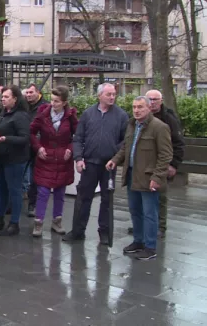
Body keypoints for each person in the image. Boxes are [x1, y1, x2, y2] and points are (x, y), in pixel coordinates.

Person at [106, 96, 172, 260]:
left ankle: (150, 247)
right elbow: (126, 148)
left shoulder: (159, 127)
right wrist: (115, 160)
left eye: (140, 107)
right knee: (135, 211)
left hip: (149, 178)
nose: (136, 110)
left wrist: (157, 177)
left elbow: (165, 155)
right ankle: (138, 241)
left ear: (149, 108)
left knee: (150, 213)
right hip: (132, 175)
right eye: (134, 107)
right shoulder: (132, 125)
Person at [64, 83, 129, 244]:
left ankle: (105, 233)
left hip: (109, 165)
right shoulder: (88, 114)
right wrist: (78, 158)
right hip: (89, 164)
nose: (112, 97)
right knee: (83, 197)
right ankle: (78, 231)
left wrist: (115, 156)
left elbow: (125, 141)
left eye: (114, 94)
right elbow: (78, 138)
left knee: (107, 200)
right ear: (99, 95)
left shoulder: (121, 116)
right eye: (108, 94)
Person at [130, 89, 184, 238]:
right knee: (141, 197)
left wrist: (173, 164)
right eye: (150, 99)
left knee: (160, 196)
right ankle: (142, 224)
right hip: (143, 166)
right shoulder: (139, 119)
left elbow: (178, 143)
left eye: (155, 99)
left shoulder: (168, 119)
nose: (153, 102)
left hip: (161, 164)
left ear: (161, 101)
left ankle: (160, 226)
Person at [29, 86, 78, 237]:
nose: (53, 104)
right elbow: (31, 131)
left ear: (64, 102)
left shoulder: (70, 116)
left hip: (63, 159)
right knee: (43, 192)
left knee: (59, 192)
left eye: (57, 101)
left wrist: (70, 148)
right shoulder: (43, 113)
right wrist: (38, 147)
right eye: (52, 100)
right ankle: (38, 222)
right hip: (46, 157)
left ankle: (57, 221)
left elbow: (78, 135)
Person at [0, 85, 31, 236]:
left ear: (15, 99)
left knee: (14, 191)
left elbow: (25, 138)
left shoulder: (21, 116)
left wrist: (5, 139)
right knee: (2, 189)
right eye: (2, 97)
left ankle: (14, 223)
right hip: (1, 158)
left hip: (15, 160)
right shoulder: (4, 114)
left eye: (6, 97)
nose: (3, 99)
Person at [23, 83, 49, 217]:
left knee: (34, 177)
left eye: (31, 92)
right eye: (27, 92)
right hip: (23, 145)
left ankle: (32, 204)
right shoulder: (24, 106)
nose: (28, 95)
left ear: (38, 93)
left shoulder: (45, 107)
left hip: (37, 146)